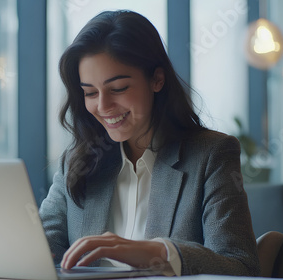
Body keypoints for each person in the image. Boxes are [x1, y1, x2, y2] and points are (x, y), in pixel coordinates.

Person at [39, 10, 260, 276]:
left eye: (118, 88)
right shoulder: (76, 162)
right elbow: (40, 248)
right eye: (89, 92)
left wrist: (158, 253)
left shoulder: (211, 155)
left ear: (157, 79)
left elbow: (240, 266)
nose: (103, 106)